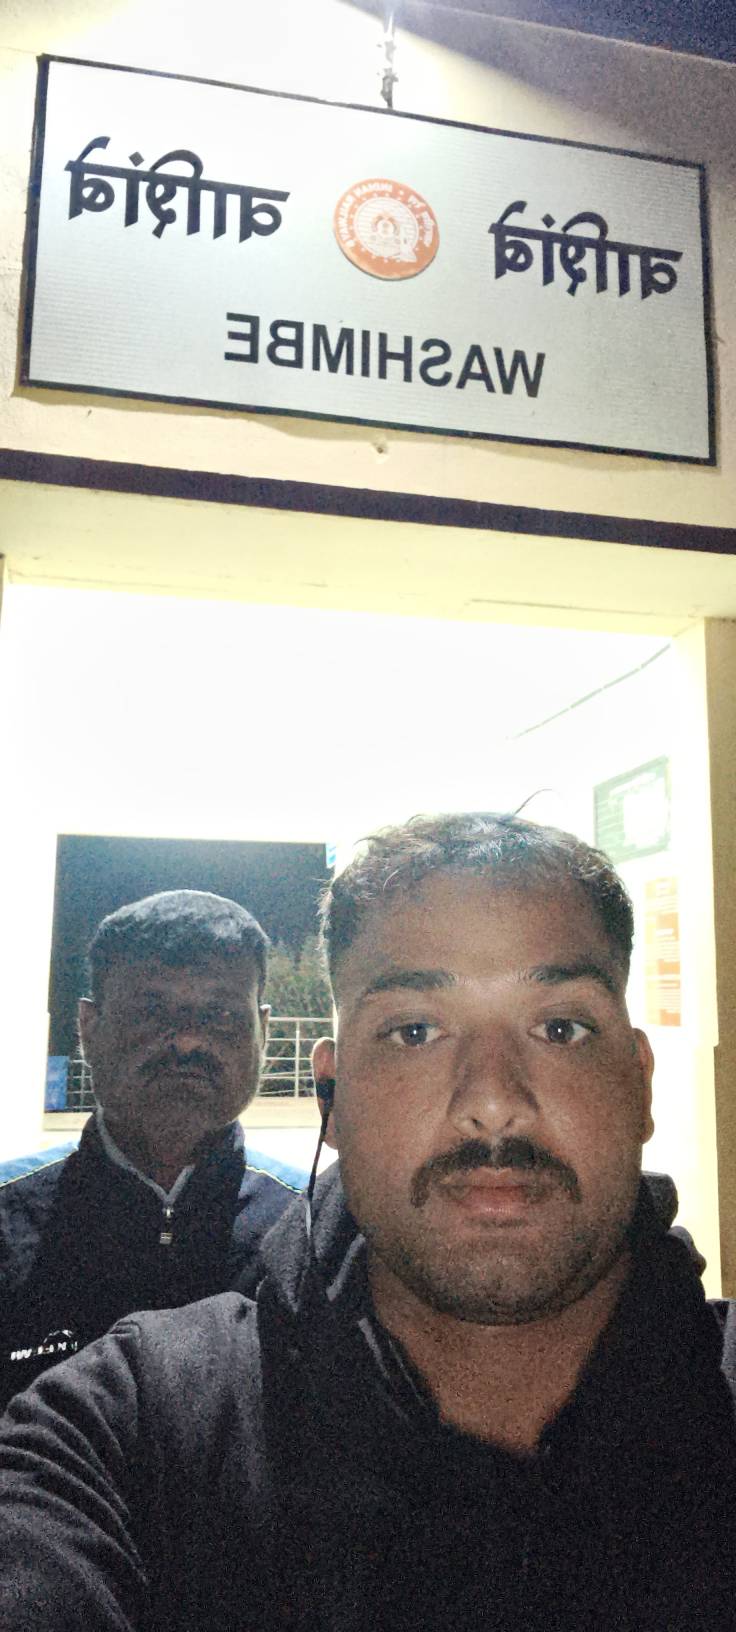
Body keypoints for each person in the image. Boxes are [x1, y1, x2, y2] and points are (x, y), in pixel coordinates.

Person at [1, 813, 735, 1632]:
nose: (493, 1101)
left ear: (639, 1082)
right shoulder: (120, 1431)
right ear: (332, 1095)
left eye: (559, 1028)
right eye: (415, 1031)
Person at [0, 889, 306, 1409]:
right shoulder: (8, 1220)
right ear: (89, 1028)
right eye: (150, 1010)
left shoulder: (317, 1229)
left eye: (220, 1014)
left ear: (264, 1032)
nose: (187, 1040)